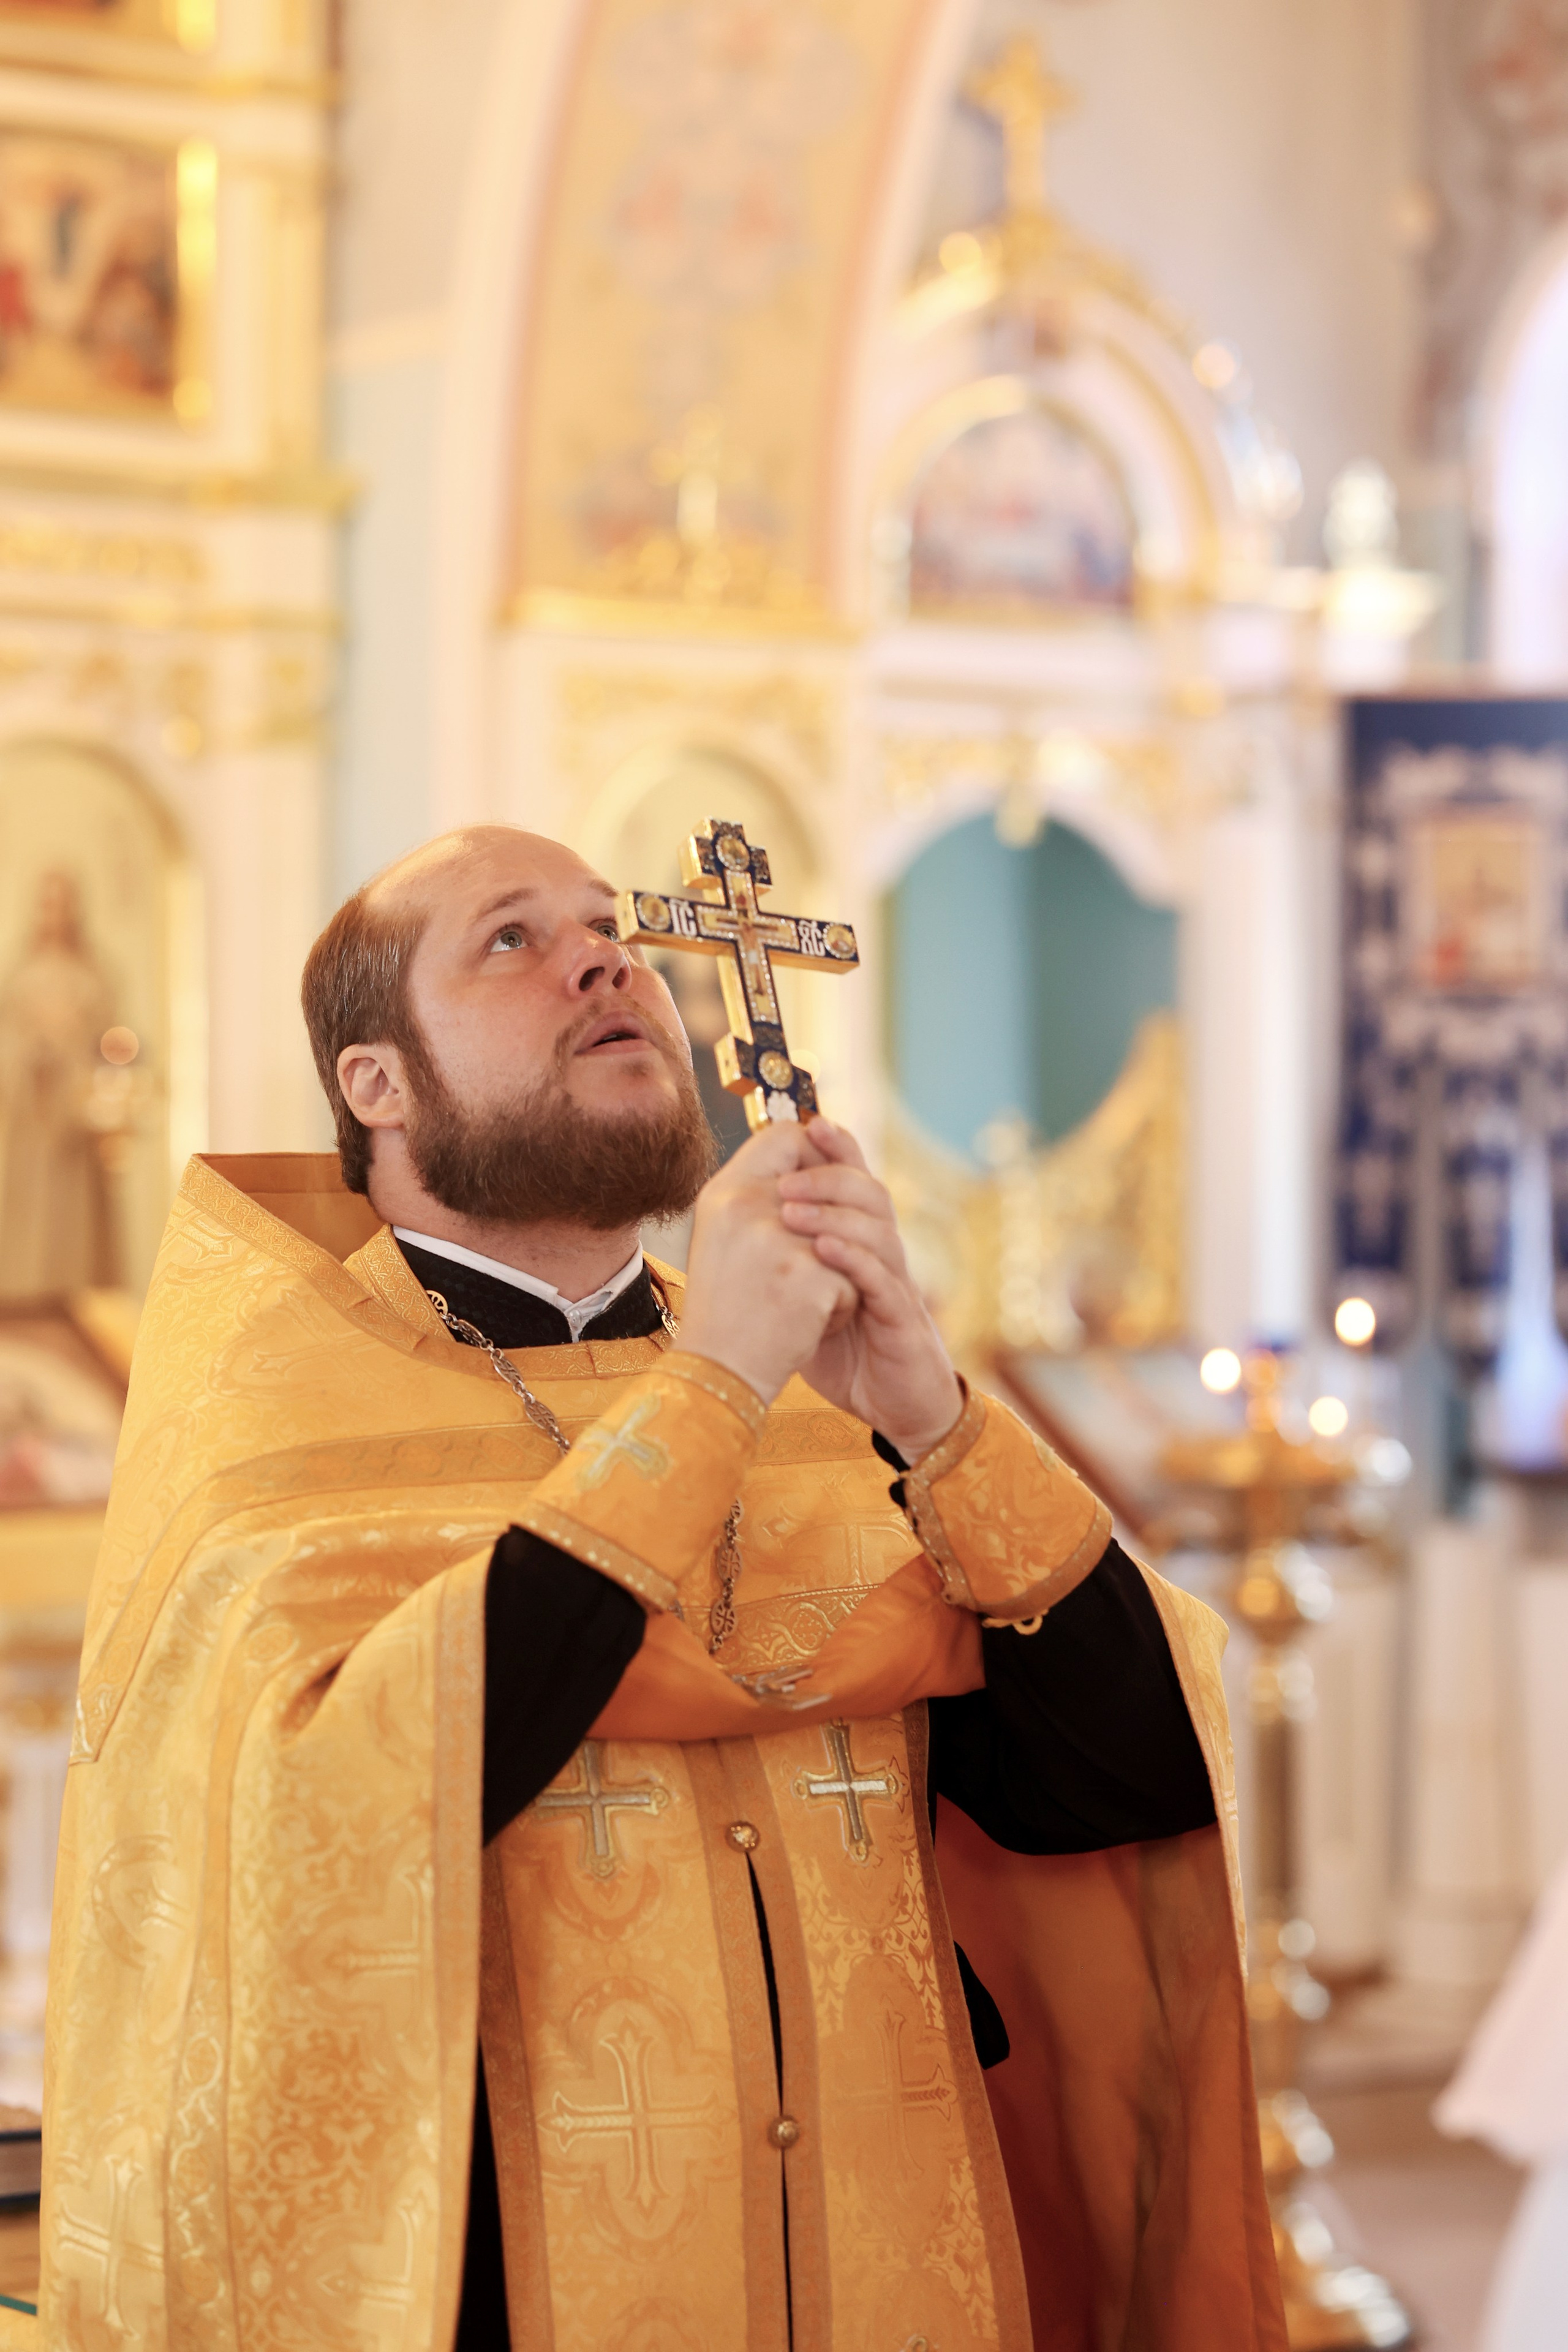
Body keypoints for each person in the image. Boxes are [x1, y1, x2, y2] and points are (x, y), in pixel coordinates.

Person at [38, 826, 1286, 2351]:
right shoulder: (279, 1407)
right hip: (507, 2282)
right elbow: (328, 1824)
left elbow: (1122, 1782)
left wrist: (932, 1418)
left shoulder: (824, 1390)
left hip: (897, 2268)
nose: (605, 957)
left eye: (609, 929)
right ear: (379, 1084)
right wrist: (712, 1388)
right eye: (511, 939)